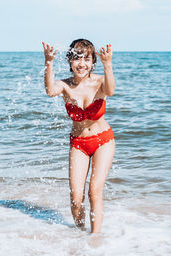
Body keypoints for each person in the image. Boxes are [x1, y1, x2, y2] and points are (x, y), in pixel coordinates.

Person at [42, 39, 116, 233]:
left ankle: (95, 238)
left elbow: (111, 90)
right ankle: (79, 233)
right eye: (77, 58)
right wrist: (48, 62)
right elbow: (50, 91)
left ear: (93, 62)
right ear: (69, 61)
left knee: (94, 192)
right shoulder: (65, 86)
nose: (81, 63)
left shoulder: (100, 82)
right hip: (78, 144)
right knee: (76, 198)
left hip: (103, 141)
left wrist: (108, 65)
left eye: (87, 59)